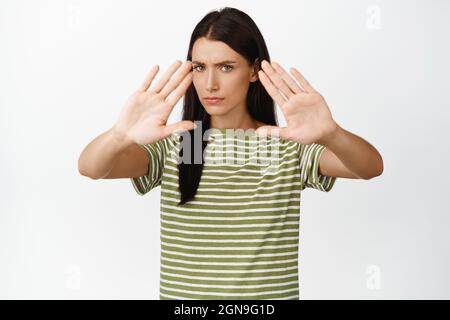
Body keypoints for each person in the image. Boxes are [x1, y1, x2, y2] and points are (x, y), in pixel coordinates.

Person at [78, 7, 383, 300]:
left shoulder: (286, 144)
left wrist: (332, 133)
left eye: (226, 67)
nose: (210, 83)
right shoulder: (176, 144)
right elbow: (91, 167)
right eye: (200, 68)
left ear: (253, 70)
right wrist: (119, 135)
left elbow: (369, 167)